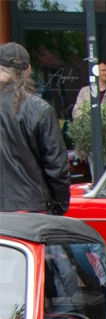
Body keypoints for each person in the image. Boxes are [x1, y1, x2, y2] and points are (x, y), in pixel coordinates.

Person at [0, 42, 70, 215]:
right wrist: (59, 208)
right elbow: (57, 167)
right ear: (28, 70)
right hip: (30, 209)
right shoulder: (39, 109)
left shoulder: (38, 109)